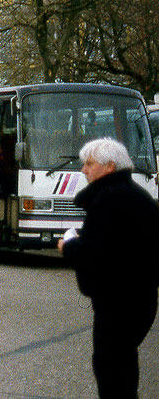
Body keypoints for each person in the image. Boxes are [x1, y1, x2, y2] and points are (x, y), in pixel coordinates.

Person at [58, 137, 159, 398]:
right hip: (140, 299)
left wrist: (68, 246)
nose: (83, 170)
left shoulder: (108, 200)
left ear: (110, 166)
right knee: (122, 367)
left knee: (112, 372)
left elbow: (94, 255)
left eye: (89, 164)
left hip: (117, 303)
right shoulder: (139, 196)